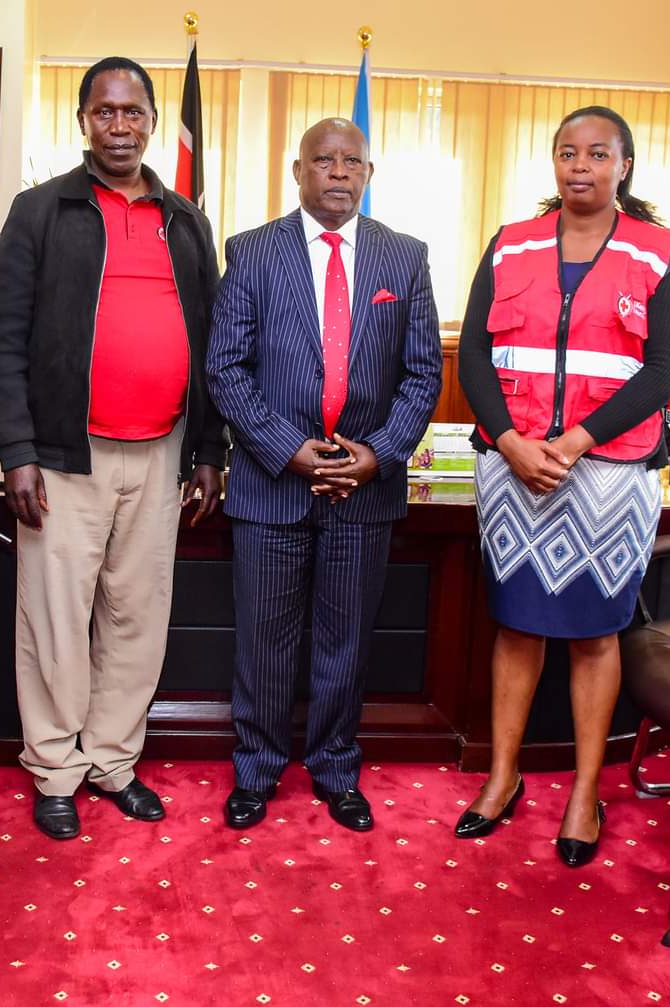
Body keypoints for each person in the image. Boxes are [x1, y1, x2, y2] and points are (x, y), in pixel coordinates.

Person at [0, 57, 227, 842]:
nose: (119, 124)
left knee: (136, 615)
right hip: (61, 456)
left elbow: (213, 340)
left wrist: (209, 450)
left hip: (161, 452)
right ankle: (54, 768)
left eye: (132, 111)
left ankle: (114, 761)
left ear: (153, 120)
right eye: (104, 111)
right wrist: (15, 451)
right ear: (83, 121)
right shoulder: (41, 211)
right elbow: (2, 339)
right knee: (54, 618)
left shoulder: (185, 218)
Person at [454, 105, 670, 867]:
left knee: (595, 632)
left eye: (597, 153)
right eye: (566, 152)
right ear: (552, 162)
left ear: (625, 163)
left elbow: (661, 371)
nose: (580, 165)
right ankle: (501, 777)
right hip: (515, 468)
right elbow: (473, 361)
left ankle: (585, 793)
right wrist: (514, 443)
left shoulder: (659, 251)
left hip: (610, 474)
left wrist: (577, 439)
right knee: (517, 623)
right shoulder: (510, 243)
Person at [207, 118, 443, 832]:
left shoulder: (404, 258)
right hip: (271, 484)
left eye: (352, 161)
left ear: (368, 173)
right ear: (297, 170)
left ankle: (337, 768)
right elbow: (226, 367)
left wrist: (374, 456)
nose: (338, 173)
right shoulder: (251, 252)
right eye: (324, 161)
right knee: (265, 639)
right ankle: (257, 770)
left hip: (364, 490)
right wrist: (290, 449)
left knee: (346, 638)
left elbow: (424, 372)